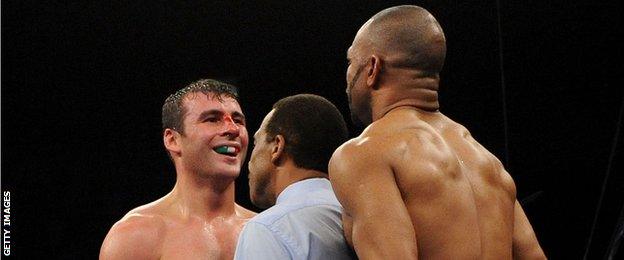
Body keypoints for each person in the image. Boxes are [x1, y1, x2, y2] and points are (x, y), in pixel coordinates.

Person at [329, 5, 546, 259]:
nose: (347, 74)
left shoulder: (364, 153)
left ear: (372, 68)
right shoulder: (488, 163)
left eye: (351, 61)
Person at [100, 79, 255, 259]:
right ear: (172, 140)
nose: (233, 129)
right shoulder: (135, 235)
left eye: (238, 120)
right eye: (212, 119)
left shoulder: (267, 230)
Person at [234, 94, 354, 260]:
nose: (250, 158)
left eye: (256, 143)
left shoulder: (268, 228)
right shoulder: (359, 216)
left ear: (277, 147)